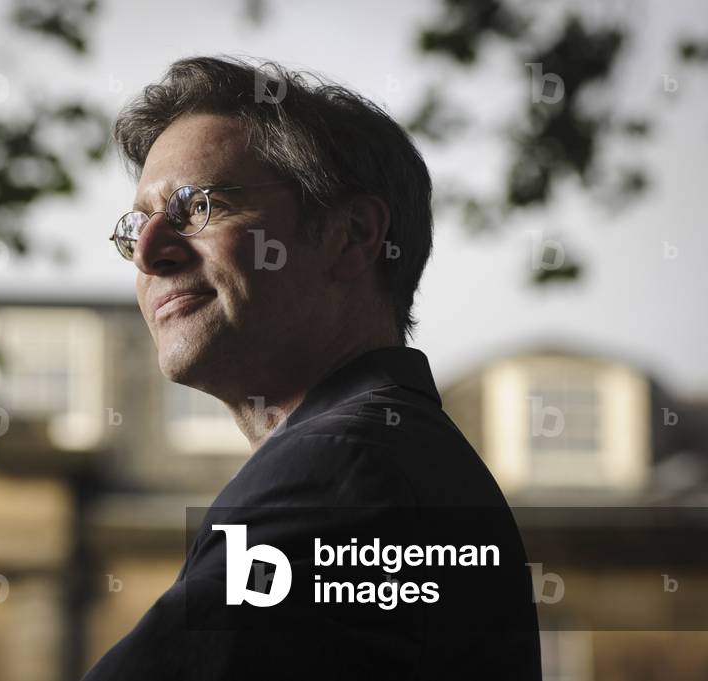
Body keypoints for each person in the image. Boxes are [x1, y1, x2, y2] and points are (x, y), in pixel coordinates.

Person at [87, 56, 542, 680]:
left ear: (351, 234)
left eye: (192, 207)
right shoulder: (387, 454)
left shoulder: (343, 466)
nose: (147, 252)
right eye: (136, 225)